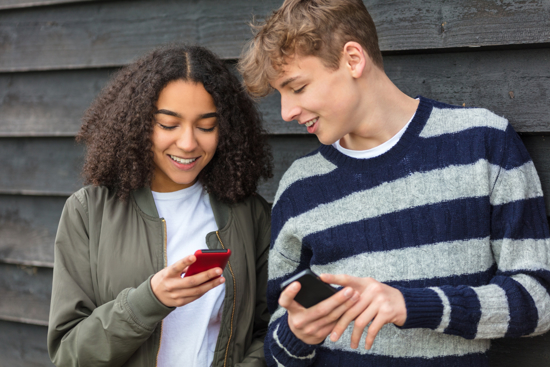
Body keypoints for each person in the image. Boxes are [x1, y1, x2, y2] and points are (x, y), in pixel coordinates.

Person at [238, 0, 550, 366]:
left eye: (298, 88)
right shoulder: (299, 187)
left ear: (353, 59)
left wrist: (412, 305)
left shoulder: (483, 144)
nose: (286, 112)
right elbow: (278, 344)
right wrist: (298, 332)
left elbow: (537, 302)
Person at [47, 44, 273, 367]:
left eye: (206, 126)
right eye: (169, 125)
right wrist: (149, 300)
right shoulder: (87, 212)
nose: (188, 142)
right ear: (139, 124)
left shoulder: (250, 214)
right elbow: (68, 354)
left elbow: (268, 330)